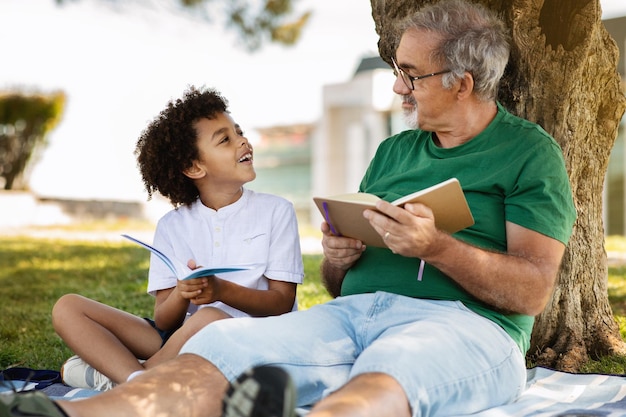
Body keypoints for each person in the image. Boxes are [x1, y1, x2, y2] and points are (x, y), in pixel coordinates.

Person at [1, 0, 576, 416]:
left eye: (410, 74)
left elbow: (529, 292)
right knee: (221, 344)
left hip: (463, 327)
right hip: (355, 315)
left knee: (390, 372)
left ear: (463, 83)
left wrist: (438, 247)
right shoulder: (395, 150)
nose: (398, 86)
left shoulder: (528, 154)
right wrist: (339, 255)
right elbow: (333, 284)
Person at [49, 86, 304, 391]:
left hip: (251, 338)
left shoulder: (277, 211)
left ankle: (130, 380)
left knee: (210, 316)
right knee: (68, 307)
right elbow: (165, 320)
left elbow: (281, 303)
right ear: (194, 167)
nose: (243, 141)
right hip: (181, 336)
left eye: (239, 132)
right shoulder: (172, 226)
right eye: (226, 139)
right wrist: (184, 293)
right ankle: (137, 379)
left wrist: (220, 290)